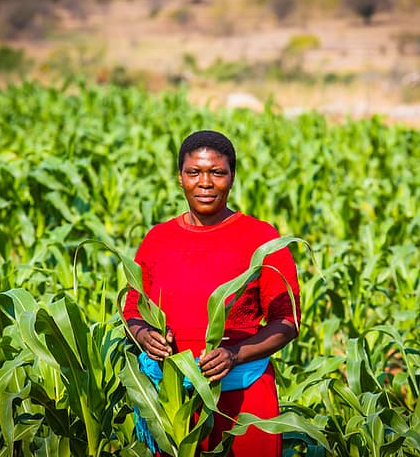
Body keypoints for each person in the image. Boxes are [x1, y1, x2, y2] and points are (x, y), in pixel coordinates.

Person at [123, 129, 301, 456]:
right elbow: (133, 311)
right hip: (173, 403)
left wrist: (235, 355)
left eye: (217, 172)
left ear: (232, 177)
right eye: (194, 172)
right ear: (180, 178)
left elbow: (287, 322)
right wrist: (145, 335)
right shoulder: (157, 240)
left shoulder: (261, 238)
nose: (205, 182)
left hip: (243, 399)